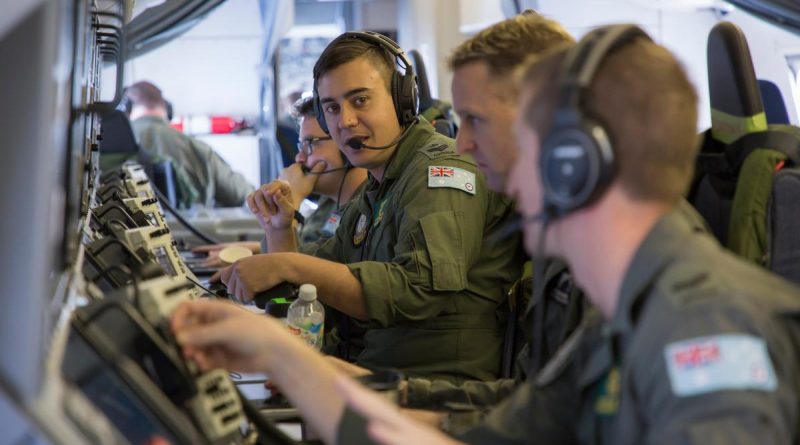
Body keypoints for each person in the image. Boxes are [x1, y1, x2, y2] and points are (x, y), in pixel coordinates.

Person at [172, 25, 800, 445]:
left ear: (572, 157)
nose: (464, 144)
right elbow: (503, 425)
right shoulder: (618, 310)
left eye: (477, 121)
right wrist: (289, 361)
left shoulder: (705, 331)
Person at [214, 31, 524, 382]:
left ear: (402, 100)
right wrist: (280, 230)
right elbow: (314, 297)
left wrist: (289, 265)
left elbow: (418, 291)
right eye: (331, 107)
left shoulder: (440, 172)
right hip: (374, 379)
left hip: (434, 394)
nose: (344, 121)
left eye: (359, 101)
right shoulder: (375, 191)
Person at [327, 12, 582, 434]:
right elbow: (532, 400)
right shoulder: (566, 247)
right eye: (332, 108)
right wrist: (400, 396)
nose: (461, 143)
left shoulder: (629, 272)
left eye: (476, 121)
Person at [192, 96, 368, 266]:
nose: (299, 157)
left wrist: (291, 207)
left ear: (348, 142)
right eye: (301, 146)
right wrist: (256, 250)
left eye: (310, 144)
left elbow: (296, 282)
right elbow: (308, 258)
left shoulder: (367, 212)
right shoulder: (333, 204)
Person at [124, 80, 254, 208]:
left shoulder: (107, 147)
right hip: (189, 229)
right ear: (167, 110)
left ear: (126, 109)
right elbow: (244, 196)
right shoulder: (198, 149)